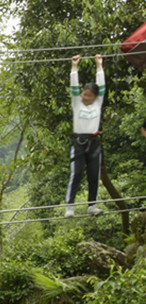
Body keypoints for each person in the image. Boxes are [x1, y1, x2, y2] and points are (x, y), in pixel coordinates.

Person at [65, 54, 105, 218]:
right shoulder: (77, 102)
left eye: (89, 95)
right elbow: (74, 86)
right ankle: (70, 207)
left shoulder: (98, 102)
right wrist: (74, 67)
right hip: (78, 142)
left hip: (94, 143)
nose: (85, 97)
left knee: (93, 174)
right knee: (77, 174)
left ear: (95, 97)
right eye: (84, 94)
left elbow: (101, 85)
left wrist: (99, 65)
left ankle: (92, 205)